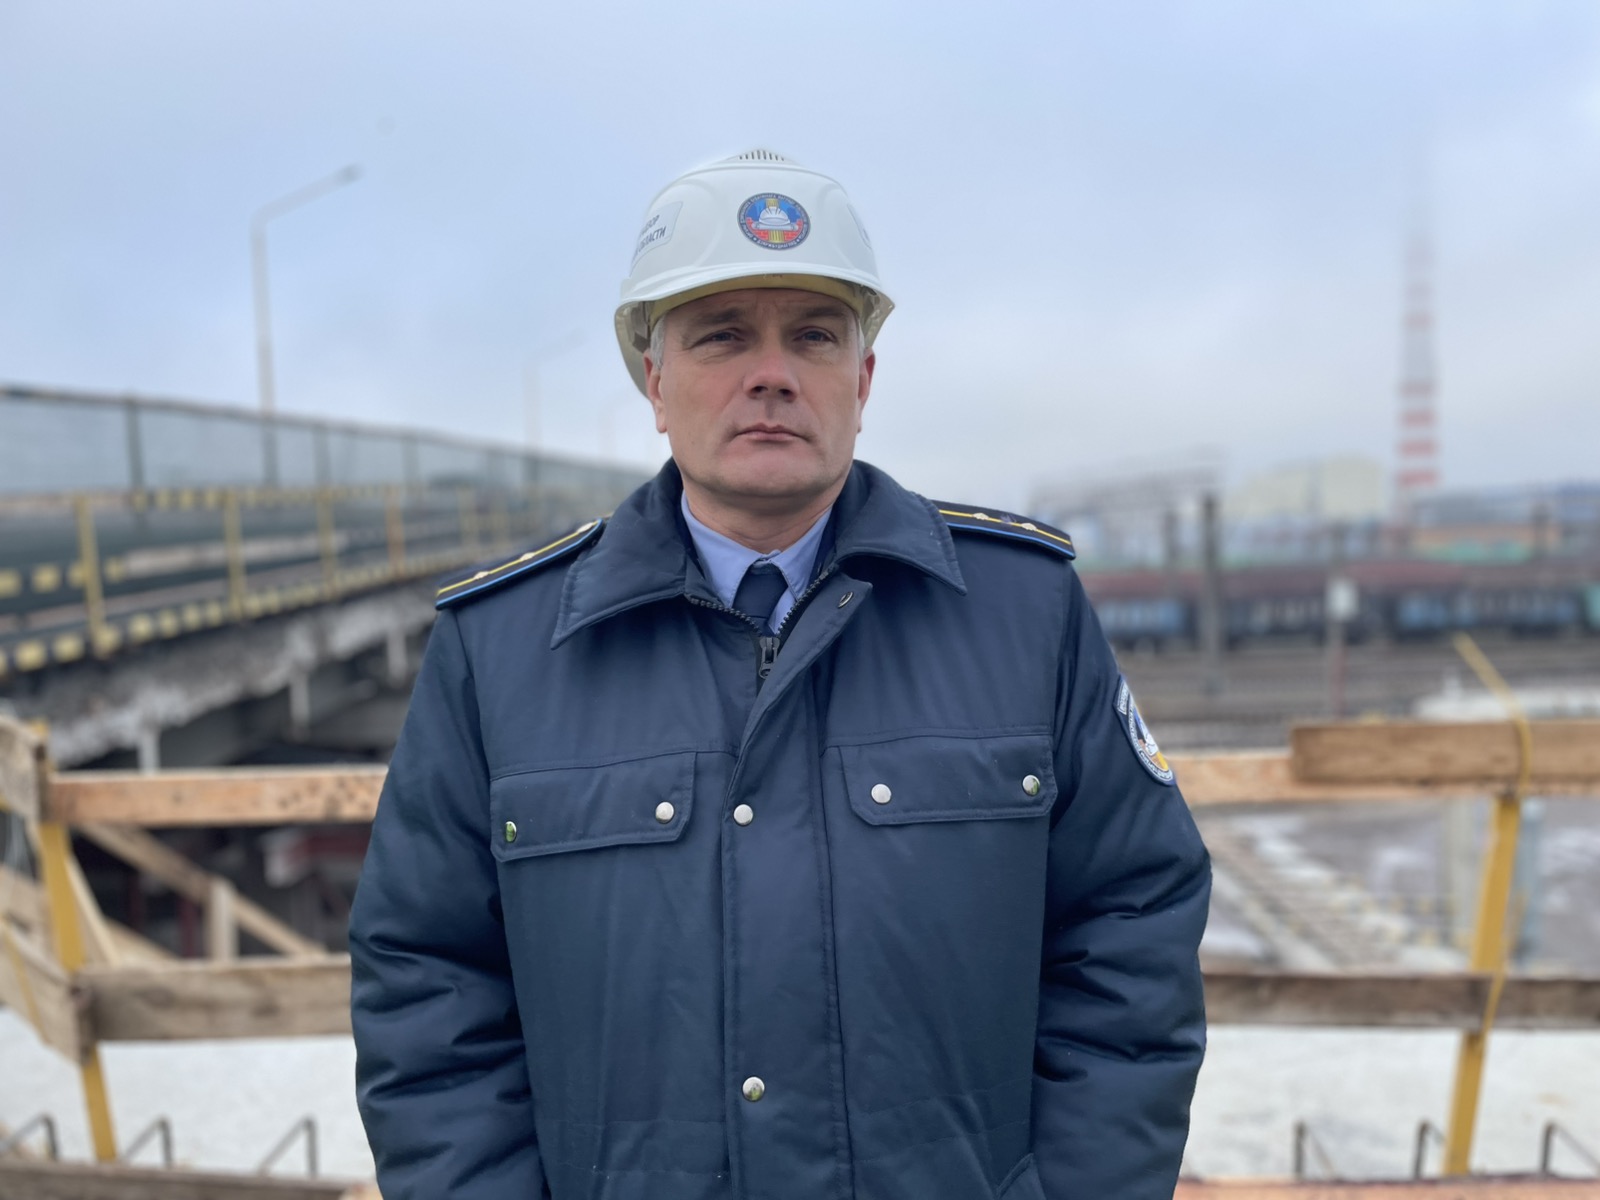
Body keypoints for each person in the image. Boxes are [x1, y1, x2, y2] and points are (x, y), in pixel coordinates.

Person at [350, 149, 1210, 1200]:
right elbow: (428, 988)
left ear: (864, 379)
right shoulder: (503, 650)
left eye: (813, 335)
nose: (772, 373)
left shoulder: (1024, 614)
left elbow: (1130, 930)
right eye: (721, 335)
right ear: (654, 382)